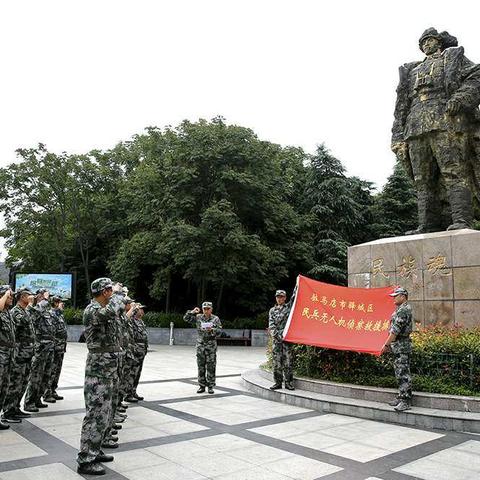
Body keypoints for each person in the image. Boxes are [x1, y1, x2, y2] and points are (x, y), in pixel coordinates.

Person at [391, 28, 480, 233]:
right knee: (422, 179)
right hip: (415, 127)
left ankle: (461, 220)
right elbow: (401, 106)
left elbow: (477, 75)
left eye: (430, 40)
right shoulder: (411, 70)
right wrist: (397, 136)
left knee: (454, 171)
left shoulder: (452, 58)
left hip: (445, 121)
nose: (426, 45)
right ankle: (427, 224)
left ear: (439, 42)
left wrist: (460, 99)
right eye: (423, 42)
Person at [76, 277, 126, 476]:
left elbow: (119, 313)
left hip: (109, 370)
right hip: (99, 371)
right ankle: (86, 459)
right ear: (104, 292)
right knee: (95, 414)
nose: (112, 293)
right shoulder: (93, 310)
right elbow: (112, 310)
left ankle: (95, 451)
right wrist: (118, 293)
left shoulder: (105, 309)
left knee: (104, 413)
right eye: (110, 290)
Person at [2, 288, 35, 423]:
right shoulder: (16, 311)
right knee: (15, 383)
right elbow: (22, 323)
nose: (31, 297)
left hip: (26, 352)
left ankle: (15, 407)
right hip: (19, 353)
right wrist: (30, 307)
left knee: (22, 383)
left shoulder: (20, 311)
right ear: (23, 297)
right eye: (29, 295)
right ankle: (8, 411)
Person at [381, 287, 414, 412]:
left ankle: (405, 401)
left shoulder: (403, 310)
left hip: (402, 346)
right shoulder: (401, 309)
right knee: (399, 372)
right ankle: (401, 397)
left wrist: (386, 345)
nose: (394, 298)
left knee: (403, 373)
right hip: (399, 346)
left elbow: (395, 331)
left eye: (396, 295)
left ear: (403, 296)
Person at [24, 288, 55, 411]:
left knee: (45, 375)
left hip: (49, 347)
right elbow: (35, 314)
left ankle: (38, 398)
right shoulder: (34, 309)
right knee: (36, 376)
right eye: (44, 295)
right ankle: (29, 402)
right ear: (39, 296)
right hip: (40, 347)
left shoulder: (45, 310)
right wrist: (44, 299)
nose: (47, 298)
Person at [184, 302, 222, 394]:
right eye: (204, 309)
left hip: (211, 345)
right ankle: (201, 385)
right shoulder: (198, 317)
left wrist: (212, 330)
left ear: (211, 309)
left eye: (208, 308)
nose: (206, 310)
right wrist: (192, 312)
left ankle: (210, 386)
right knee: (200, 366)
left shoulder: (215, 318)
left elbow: (220, 331)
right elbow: (186, 318)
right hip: (200, 344)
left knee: (211, 366)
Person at [269, 289, 296, 391]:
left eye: (281, 297)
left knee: (288, 362)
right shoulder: (272, 310)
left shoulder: (289, 307)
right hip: (277, 340)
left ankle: (288, 383)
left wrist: (297, 285)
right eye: (278, 297)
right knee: (277, 362)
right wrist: (277, 336)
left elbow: (295, 298)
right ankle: (277, 382)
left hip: (287, 339)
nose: (279, 298)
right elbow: (271, 325)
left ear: (285, 298)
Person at [44, 296, 68, 402]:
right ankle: (47, 393)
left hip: (61, 347)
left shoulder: (59, 314)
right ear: (55, 303)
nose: (63, 304)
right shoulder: (52, 314)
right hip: (54, 347)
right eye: (60, 302)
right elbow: (51, 331)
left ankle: (53, 390)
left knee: (57, 371)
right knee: (51, 371)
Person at [125, 303, 148, 402]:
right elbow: (126, 318)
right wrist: (133, 308)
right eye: (140, 309)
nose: (142, 311)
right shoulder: (132, 320)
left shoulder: (141, 322)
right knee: (132, 373)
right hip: (135, 350)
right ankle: (128, 394)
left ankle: (133, 391)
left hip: (142, 351)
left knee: (138, 373)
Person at [0, 286, 16, 430]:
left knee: (4, 388)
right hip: (1, 355)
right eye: (9, 296)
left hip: (9, 356)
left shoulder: (7, 313)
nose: (11, 298)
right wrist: (4, 294)